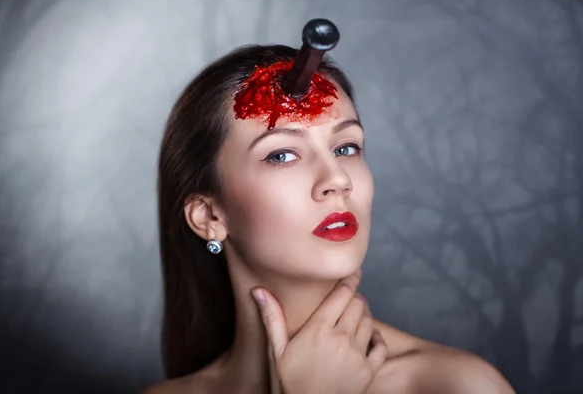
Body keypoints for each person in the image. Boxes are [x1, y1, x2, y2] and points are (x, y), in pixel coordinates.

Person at [142, 44, 515, 393]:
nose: (338, 179)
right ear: (209, 216)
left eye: (346, 147)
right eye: (283, 155)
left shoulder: (453, 385)